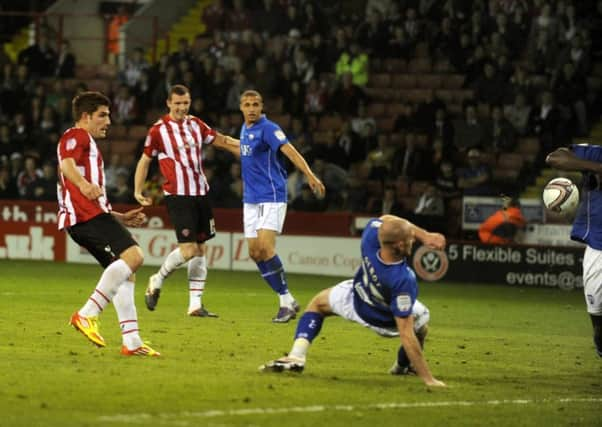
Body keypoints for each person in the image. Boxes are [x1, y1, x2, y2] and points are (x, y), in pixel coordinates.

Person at [260, 215, 446, 387]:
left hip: (356, 297)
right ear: (398, 245)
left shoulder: (370, 237)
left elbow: (386, 219)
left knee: (318, 304)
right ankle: (402, 366)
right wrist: (429, 379)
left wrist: (424, 235)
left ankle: (296, 356)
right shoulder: (403, 279)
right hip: (383, 320)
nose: (413, 241)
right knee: (420, 326)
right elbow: (405, 332)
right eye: (410, 239)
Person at [59, 91, 159, 356]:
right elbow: (66, 165)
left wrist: (120, 217)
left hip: (90, 215)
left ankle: (132, 342)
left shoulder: (88, 144)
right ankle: (87, 314)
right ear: (85, 116)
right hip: (85, 217)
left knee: (126, 272)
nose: (109, 121)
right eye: (102, 115)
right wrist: (83, 184)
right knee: (134, 256)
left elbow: (86, 188)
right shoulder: (76, 136)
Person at [134, 84, 239, 317]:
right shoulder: (158, 130)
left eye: (185, 103)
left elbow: (221, 140)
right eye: (178, 103)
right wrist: (137, 190)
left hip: (201, 193)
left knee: (200, 250)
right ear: (169, 104)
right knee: (189, 249)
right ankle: (157, 279)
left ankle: (195, 305)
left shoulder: (196, 125)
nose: (182, 107)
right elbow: (144, 160)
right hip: (178, 196)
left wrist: (246, 148)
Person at [238, 90, 325, 323]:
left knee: (266, 247)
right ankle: (288, 300)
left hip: (271, 195)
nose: (252, 108)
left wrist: (308, 174)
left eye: (255, 104)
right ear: (241, 108)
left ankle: (285, 301)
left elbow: (289, 150)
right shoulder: (245, 130)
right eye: (247, 104)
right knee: (255, 253)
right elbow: (243, 151)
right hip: (251, 199)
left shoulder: (268, 128)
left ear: (262, 106)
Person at [546, 146, 602, 358]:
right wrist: (595, 168)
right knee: (598, 321)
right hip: (598, 248)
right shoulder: (594, 153)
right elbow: (554, 157)